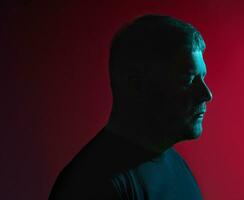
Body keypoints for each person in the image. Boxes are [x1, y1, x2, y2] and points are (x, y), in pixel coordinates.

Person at [49, 14, 213, 200]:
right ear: (136, 85)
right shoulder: (90, 185)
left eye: (203, 77)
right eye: (187, 80)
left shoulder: (177, 168)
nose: (206, 94)